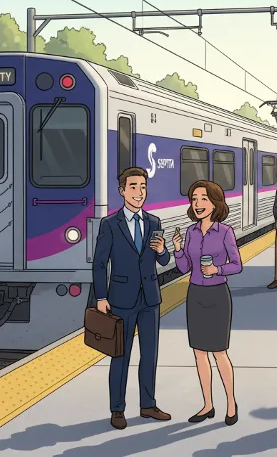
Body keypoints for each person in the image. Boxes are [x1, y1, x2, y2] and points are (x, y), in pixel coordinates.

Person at [91, 167, 171, 430]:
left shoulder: (154, 223)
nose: (139, 192)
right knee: (120, 356)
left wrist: (162, 251)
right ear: (122, 191)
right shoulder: (109, 224)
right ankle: (117, 409)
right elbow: (100, 264)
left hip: (150, 299)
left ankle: (147, 404)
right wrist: (100, 297)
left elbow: (163, 260)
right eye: (134, 186)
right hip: (120, 300)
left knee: (150, 355)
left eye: (143, 187)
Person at [173, 180, 243, 426]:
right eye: (194, 199)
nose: (198, 204)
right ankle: (208, 405)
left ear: (215, 202)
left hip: (217, 296)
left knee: (219, 352)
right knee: (199, 353)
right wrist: (178, 250)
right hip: (195, 295)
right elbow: (185, 268)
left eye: (203, 198)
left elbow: (237, 265)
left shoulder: (225, 232)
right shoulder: (191, 232)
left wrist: (217, 268)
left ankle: (231, 403)